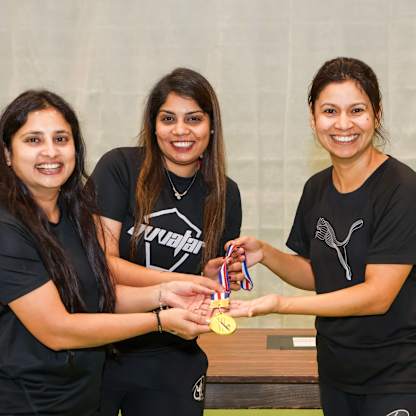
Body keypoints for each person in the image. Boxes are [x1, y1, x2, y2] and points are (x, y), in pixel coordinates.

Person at [0, 90, 215, 416]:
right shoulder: (7, 229)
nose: (50, 151)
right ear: (7, 153)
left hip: (81, 398)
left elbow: (98, 296)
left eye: (61, 139)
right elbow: (57, 330)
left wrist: (166, 293)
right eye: (33, 140)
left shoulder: (74, 214)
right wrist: (159, 321)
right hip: (25, 403)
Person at [228, 57, 416, 415]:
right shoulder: (316, 188)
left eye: (357, 110)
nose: (343, 124)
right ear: (313, 118)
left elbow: (377, 296)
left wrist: (279, 304)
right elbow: (322, 275)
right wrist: (264, 253)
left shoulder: (402, 189)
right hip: (335, 371)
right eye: (330, 111)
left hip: (397, 376)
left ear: (376, 115)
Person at [91, 67, 242, 416]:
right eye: (168, 118)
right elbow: (101, 265)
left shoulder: (225, 193)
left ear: (211, 126)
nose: (181, 130)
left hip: (174, 354)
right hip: (103, 347)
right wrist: (182, 283)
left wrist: (213, 279)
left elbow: (206, 289)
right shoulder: (120, 167)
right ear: (153, 125)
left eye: (194, 118)